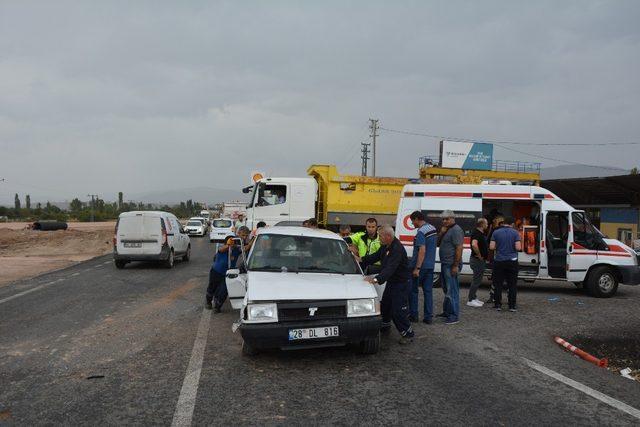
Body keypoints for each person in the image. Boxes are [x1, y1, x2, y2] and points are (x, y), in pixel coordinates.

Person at [361, 225, 414, 344]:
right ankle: (385, 325)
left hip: (401, 284)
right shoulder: (385, 246)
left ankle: (408, 333)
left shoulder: (397, 249)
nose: (378, 238)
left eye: (380, 236)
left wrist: (376, 280)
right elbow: (374, 257)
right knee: (385, 305)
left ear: (388, 236)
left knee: (398, 310)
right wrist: (360, 259)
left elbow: (390, 268)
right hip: (393, 282)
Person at [206, 226, 251, 312]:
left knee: (224, 291)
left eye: (246, 236)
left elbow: (246, 248)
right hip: (217, 271)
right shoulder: (229, 242)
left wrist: (252, 241)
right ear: (238, 234)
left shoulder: (238, 248)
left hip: (227, 273)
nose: (244, 237)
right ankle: (208, 302)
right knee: (212, 288)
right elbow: (220, 249)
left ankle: (217, 307)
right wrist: (228, 245)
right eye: (243, 235)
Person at [408, 211, 437, 324]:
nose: (412, 224)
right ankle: (428, 317)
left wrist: (417, 268)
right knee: (428, 292)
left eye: (412, 221)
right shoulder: (432, 228)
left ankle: (414, 315)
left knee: (413, 291)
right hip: (430, 265)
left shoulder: (421, 232)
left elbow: (422, 250)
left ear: (416, 219)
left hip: (421, 266)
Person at [436, 210, 464, 325]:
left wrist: (455, 266)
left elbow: (459, 248)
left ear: (453, 218)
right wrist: (441, 233)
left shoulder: (456, 230)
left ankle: (454, 316)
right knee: (447, 289)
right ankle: (447, 312)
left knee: (452, 291)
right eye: (443, 219)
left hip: (451, 264)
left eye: (447, 219)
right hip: (445, 264)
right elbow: (437, 243)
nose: (444, 221)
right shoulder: (447, 230)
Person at [490, 217, 521, 312]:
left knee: (498, 283)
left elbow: (491, 247)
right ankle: (512, 306)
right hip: (512, 261)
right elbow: (518, 247)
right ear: (511, 224)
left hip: (499, 261)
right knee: (512, 284)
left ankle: (498, 305)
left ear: (502, 223)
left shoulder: (496, 232)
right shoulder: (515, 233)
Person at [467, 218, 489, 307]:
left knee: (478, 280)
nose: (487, 225)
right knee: (476, 280)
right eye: (486, 224)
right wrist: (479, 255)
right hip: (477, 260)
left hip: (479, 260)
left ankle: (474, 297)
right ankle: (471, 299)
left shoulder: (479, 233)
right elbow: (474, 244)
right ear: (482, 224)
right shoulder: (477, 233)